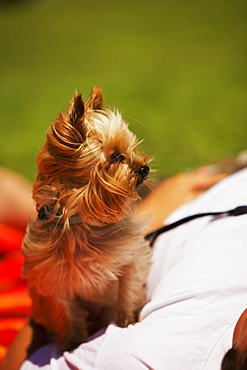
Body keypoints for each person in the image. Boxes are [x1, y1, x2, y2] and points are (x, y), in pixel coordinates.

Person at [1, 165, 247, 370]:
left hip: (142, 227)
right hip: (209, 188)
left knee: (10, 194)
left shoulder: (147, 357)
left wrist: (52, 282)